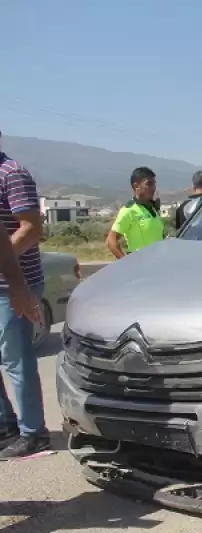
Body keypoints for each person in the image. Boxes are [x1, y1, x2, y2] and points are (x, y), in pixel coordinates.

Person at [0, 145, 50, 459]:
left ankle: (34, 433)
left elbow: (31, 228)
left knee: (15, 360)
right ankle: (6, 426)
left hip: (14, 283)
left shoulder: (12, 174)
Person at [106, 167, 165, 259]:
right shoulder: (129, 210)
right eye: (149, 184)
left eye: (154, 184)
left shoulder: (152, 209)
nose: (153, 188)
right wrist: (127, 263)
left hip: (158, 265)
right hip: (141, 267)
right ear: (136, 186)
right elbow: (111, 241)